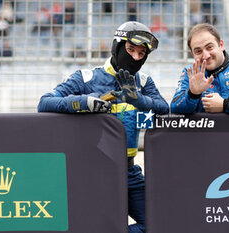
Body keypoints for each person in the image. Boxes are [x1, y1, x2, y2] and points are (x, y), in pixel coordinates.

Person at [38, 21, 169, 233]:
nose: (136, 57)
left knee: (158, 223)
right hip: (93, 171)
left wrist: (140, 101)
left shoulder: (144, 82)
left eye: (141, 53)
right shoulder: (85, 78)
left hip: (130, 170)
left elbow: (164, 110)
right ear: (117, 47)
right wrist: (83, 102)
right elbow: (44, 103)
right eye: (130, 50)